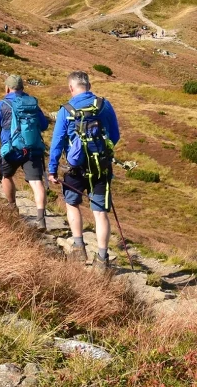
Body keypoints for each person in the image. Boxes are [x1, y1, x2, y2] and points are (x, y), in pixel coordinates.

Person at [47, 71, 121, 267]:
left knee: (72, 204)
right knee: (100, 214)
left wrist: (52, 169)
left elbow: (57, 142)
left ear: (71, 88)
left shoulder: (66, 110)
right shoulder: (104, 105)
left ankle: (79, 248)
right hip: (100, 168)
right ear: (88, 85)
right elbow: (115, 135)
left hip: (75, 169)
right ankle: (103, 259)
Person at [0, 74, 51, 229]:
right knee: (37, 183)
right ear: (22, 88)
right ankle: (41, 218)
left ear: (7, 88)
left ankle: (12, 207)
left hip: (11, 149)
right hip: (33, 149)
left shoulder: (2, 104)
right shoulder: (32, 104)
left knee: (6, 176)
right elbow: (44, 125)